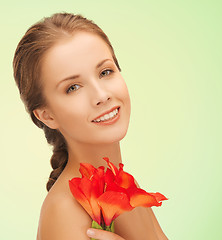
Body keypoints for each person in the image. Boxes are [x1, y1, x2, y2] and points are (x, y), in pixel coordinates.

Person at [13, 12, 168, 240]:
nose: (101, 95)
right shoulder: (64, 210)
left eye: (105, 72)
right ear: (47, 115)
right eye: (73, 87)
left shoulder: (125, 186)